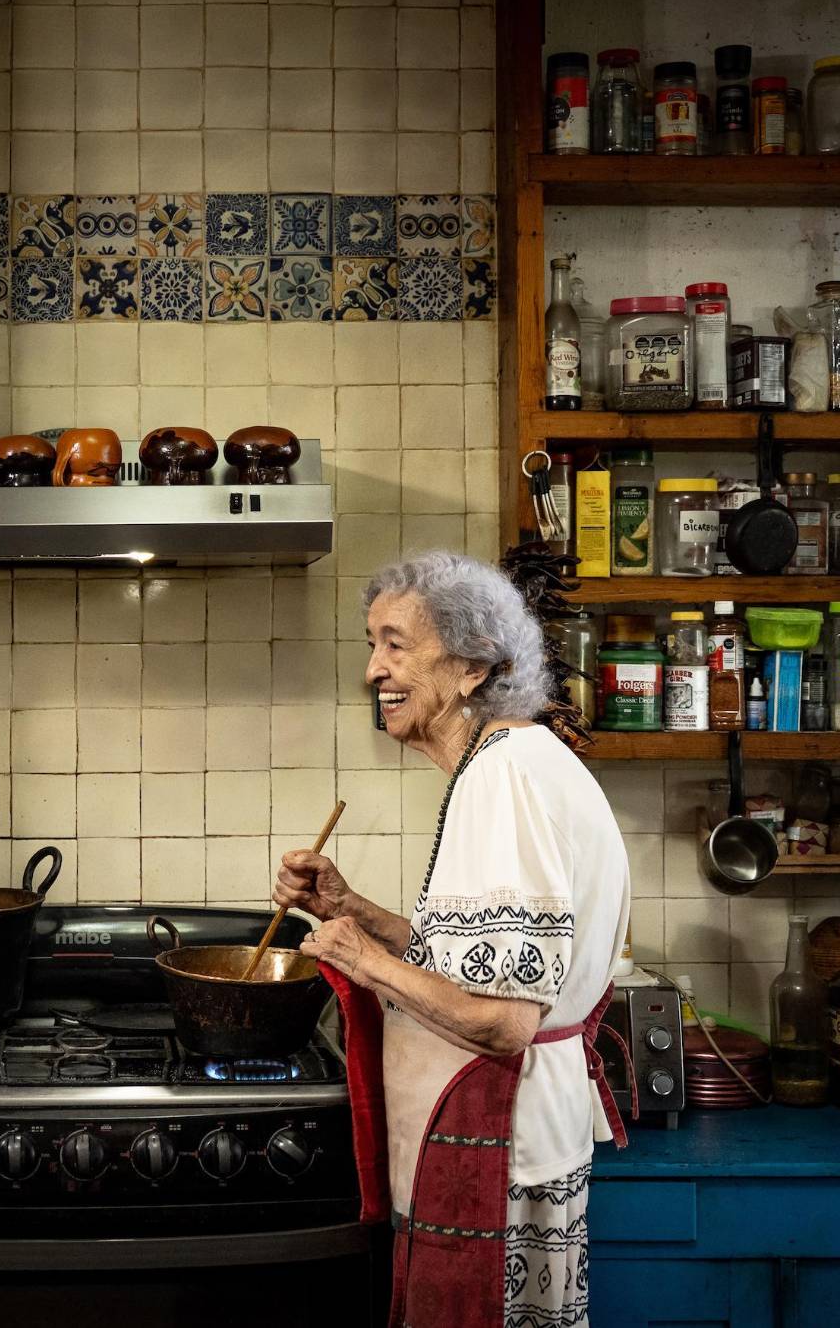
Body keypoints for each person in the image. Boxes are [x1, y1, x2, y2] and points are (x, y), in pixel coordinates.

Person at [278, 550, 631, 1328]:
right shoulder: (513, 762)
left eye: (396, 645)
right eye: (372, 644)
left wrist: (363, 959)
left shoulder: (505, 778)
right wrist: (354, 909)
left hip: (499, 1148)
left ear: (472, 666)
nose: (373, 670)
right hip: (505, 1139)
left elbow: (505, 1019)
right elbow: (483, 965)